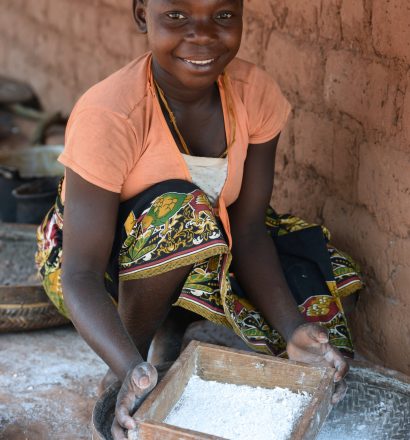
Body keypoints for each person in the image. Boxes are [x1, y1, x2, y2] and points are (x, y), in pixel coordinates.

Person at [36, 0, 363, 438]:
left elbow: (247, 230)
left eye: (223, 15)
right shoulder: (110, 114)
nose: (204, 34)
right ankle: (128, 366)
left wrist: (292, 329)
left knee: (330, 277)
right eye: (176, 15)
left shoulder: (255, 93)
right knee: (186, 213)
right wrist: (129, 368)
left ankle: (173, 321)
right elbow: (79, 273)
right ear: (141, 15)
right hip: (91, 271)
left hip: (208, 243)